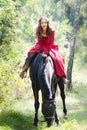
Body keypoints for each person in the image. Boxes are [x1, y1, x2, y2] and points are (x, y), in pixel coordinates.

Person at [20, 16, 68, 84]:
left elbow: (51, 42)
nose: (43, 24)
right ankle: (24, 70)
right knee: (30, 54)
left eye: (45, 22)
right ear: (40, 23)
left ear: (48, 23)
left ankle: (62, 77)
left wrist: (47, 51)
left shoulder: (52, 31)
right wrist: (42, 50)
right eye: (42, 23)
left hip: (50, 46)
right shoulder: (38, 30)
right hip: (40, 45)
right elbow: (39, 42)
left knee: (58, 58)